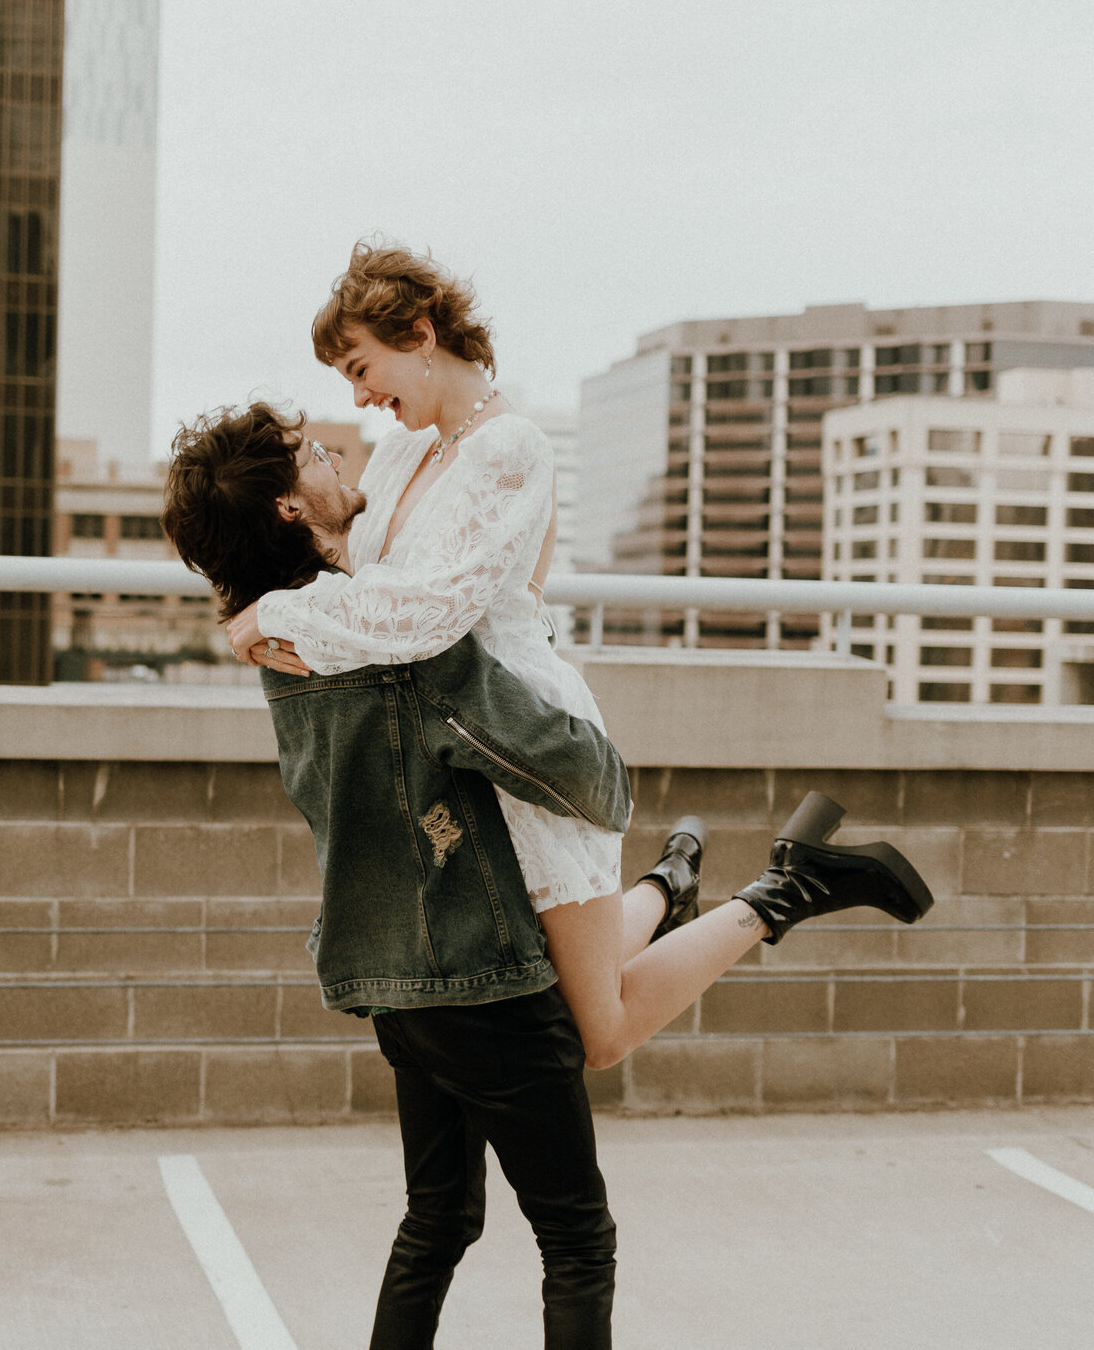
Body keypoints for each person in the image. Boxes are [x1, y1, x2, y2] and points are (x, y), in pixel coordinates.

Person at [165, 396, 933, 1350]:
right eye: (313, 453)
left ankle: (697, 888)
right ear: (287, 507)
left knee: (437, 1220)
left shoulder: (276, 638)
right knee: (576, 1234)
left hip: (385, 973)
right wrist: (615, 781)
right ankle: (758, 892)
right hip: (479, 965)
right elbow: (550, 759)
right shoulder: (397, 645)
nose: (334, 453)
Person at [226, 241, 933, 1067]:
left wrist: (277, 610)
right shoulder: (401, 453)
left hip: (524, 745)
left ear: (419, 333)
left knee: (597, 1030)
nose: (358, 395)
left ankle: (781, 890)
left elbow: (423, 615)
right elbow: (356, 582)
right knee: (559, 995)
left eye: (361, 365)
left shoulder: (509, 447)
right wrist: (251, 603)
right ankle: (668, 886)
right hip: (449, 757)